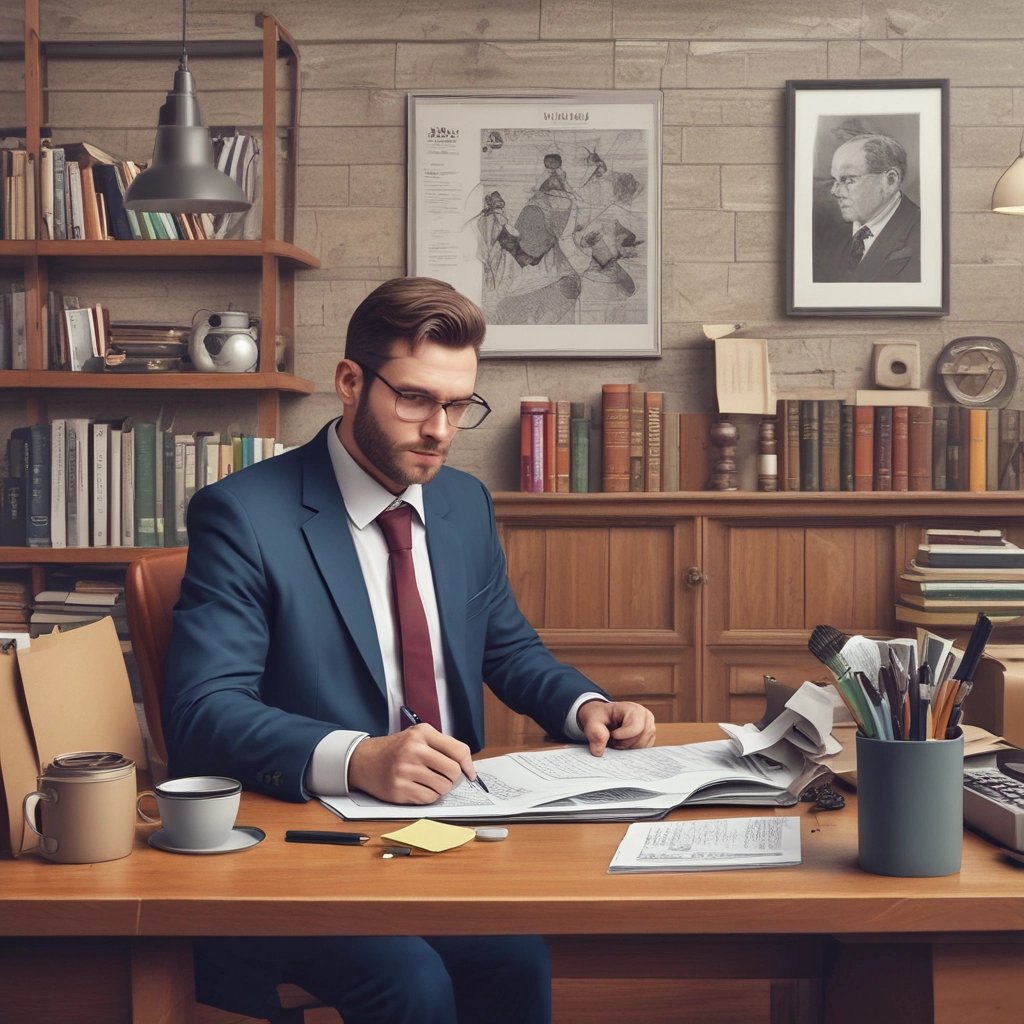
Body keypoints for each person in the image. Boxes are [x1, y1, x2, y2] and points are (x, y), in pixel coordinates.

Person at [162, 275, 657, 1024]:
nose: (441, 430)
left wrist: (584, 704)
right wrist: (359, 757)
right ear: (350, 382)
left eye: (459, 405)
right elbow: (203, 711)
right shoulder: (243, 514)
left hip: (443, 832)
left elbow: (507, 647)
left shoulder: (462, 503)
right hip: (306, 852)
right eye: (417, 399)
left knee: (518, 954)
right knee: (410, 979)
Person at [815, 132, 921, 283]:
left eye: (848, 180)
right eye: (835, 180)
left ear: (890, 180)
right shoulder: (830, 233)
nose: (835, 191)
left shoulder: (923, 234)